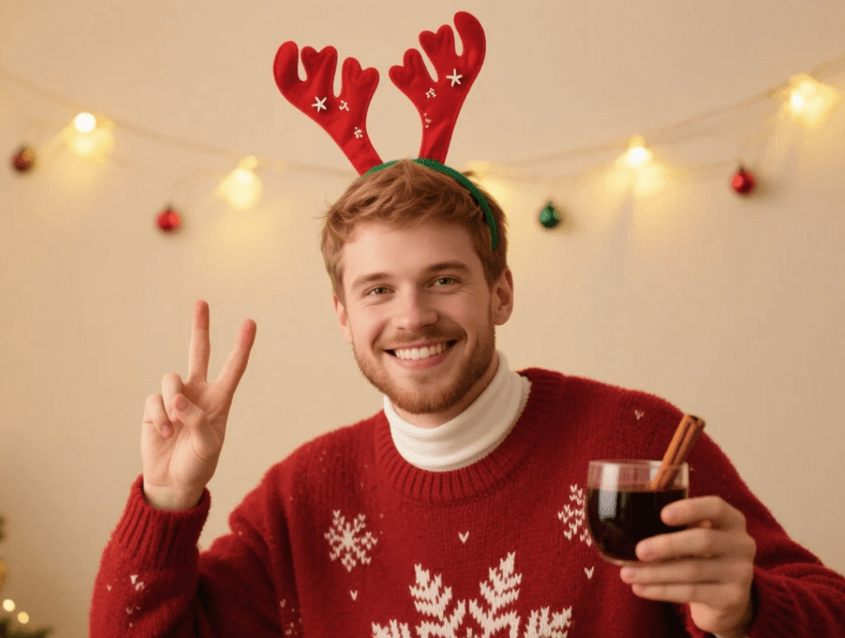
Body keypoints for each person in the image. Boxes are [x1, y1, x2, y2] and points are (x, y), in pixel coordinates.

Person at [90, 160, 845, 638]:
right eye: (378, 290)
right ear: (344, 317)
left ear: (501, 293)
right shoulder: (301, 499)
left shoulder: (640, 443)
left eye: (444, 280)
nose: (412, 316)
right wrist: (166, 499)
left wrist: (746, 612)